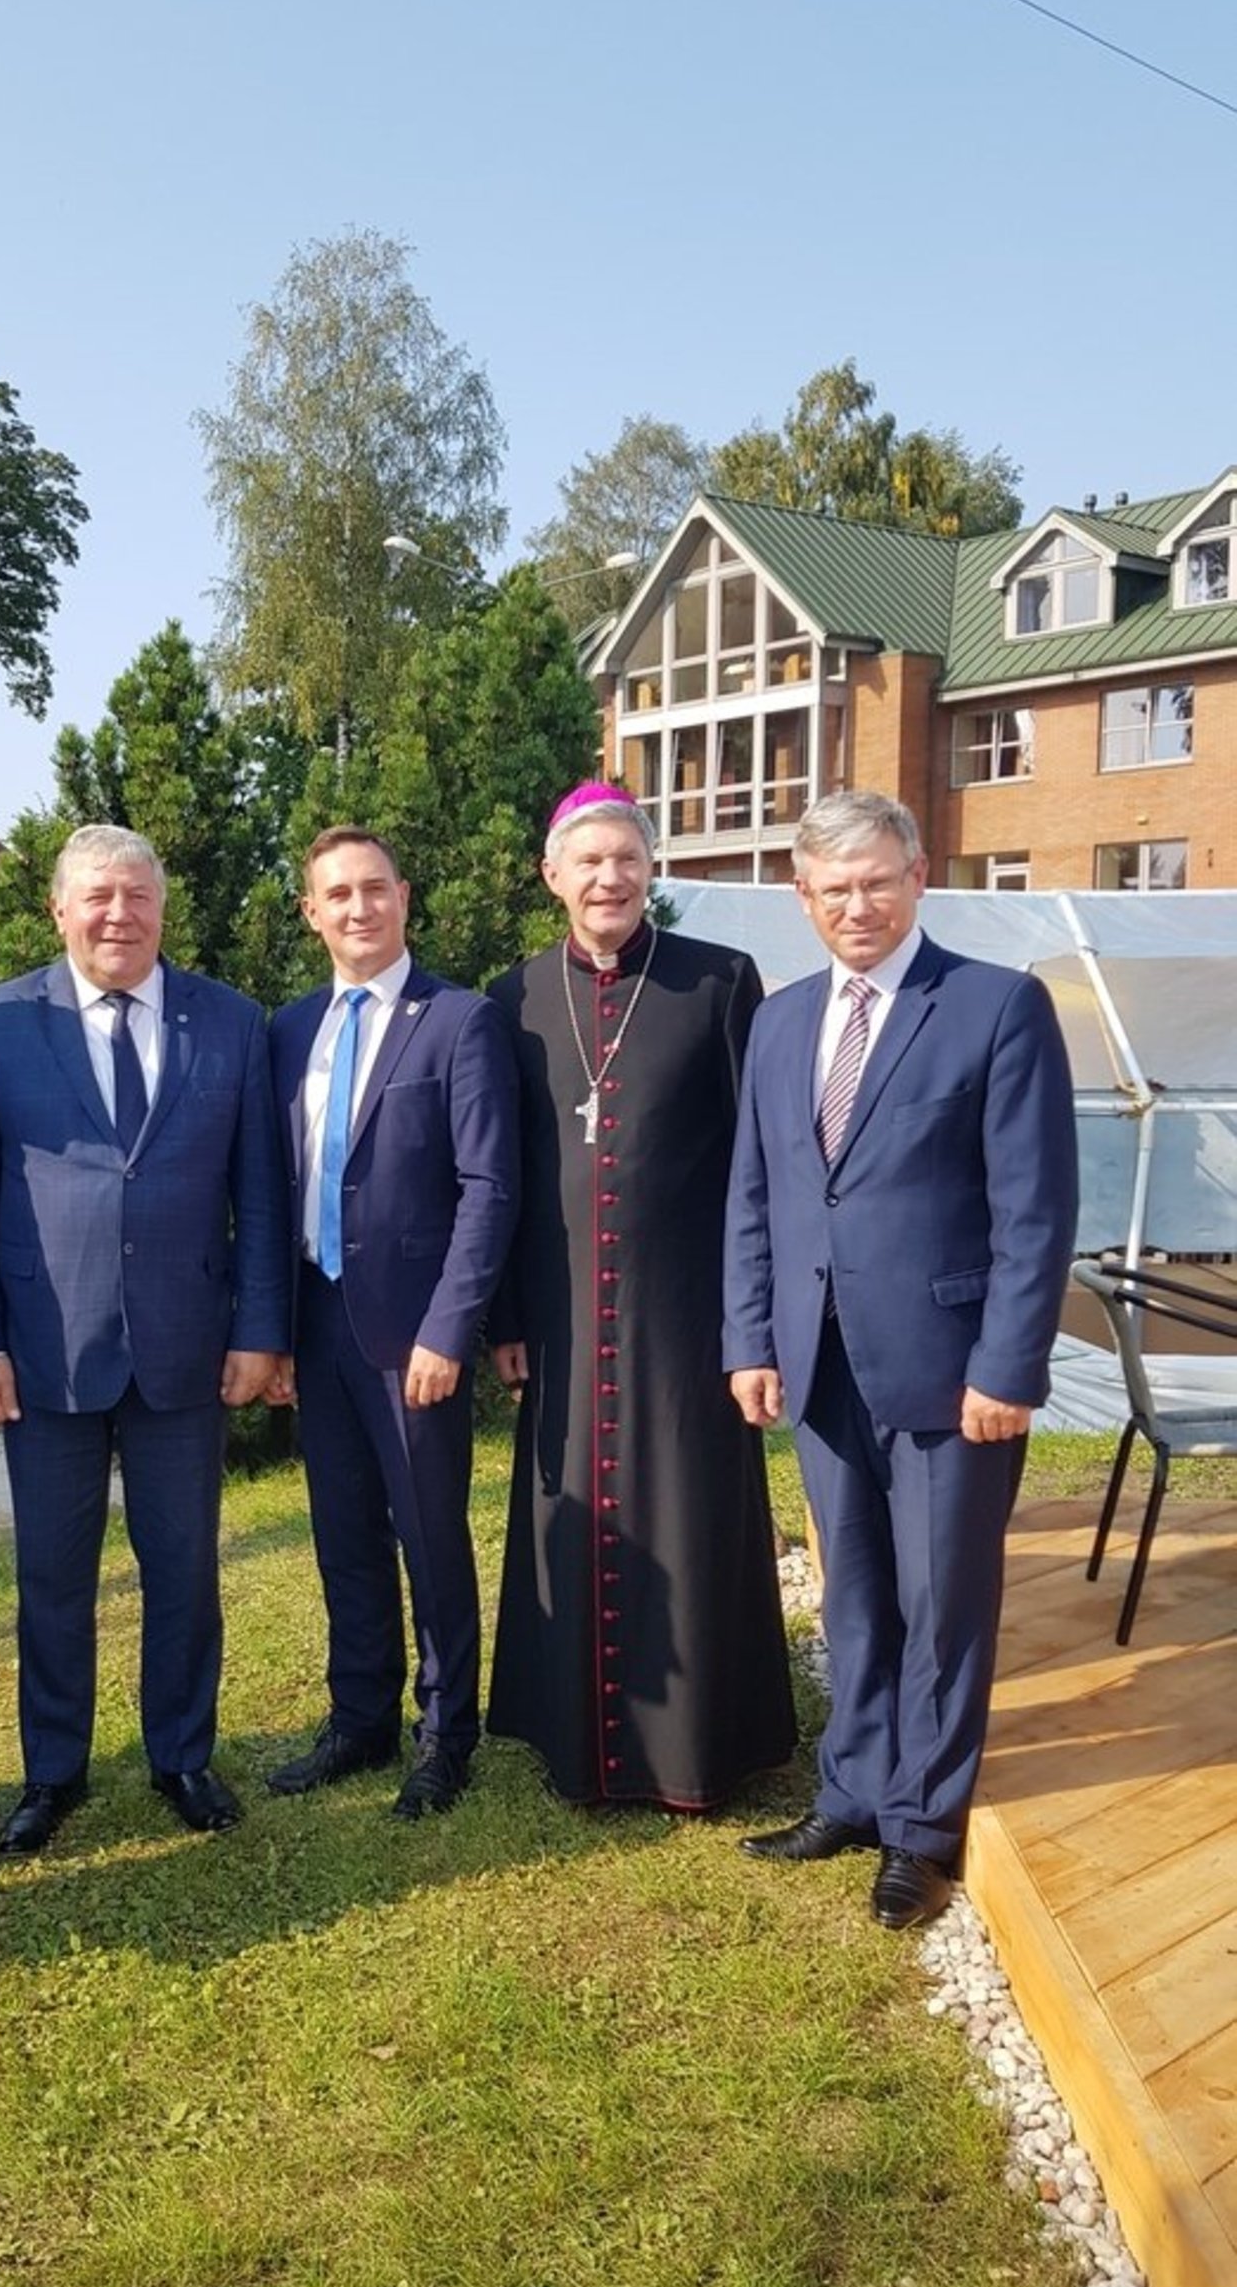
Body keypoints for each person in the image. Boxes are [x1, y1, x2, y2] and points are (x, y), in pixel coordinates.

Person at [725, 791, 1077, 1929]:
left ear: (919, 877)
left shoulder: (996, 1007)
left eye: (877, 881)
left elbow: (1035, 1213)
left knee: (943, 1606)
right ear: (803, 897)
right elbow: (758, 1195)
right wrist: (751, 1338)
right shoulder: (782, 1022)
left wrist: (1008, 1367)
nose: (858, 905)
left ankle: (921, 1831)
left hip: (951, 1371)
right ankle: (853, 1790)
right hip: (819, 1362)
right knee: (858, 1598)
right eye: (834, 889)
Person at [0, 824, 288, 1854]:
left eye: (138, 896)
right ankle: (53, 1771)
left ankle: (182, 1754)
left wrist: (260, 1329)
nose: (118, 915)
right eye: (97, 896)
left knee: (183, 1567)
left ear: (162, 910)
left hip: (187, 1347)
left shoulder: (231, 1023)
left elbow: (260, 1196)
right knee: (52, 1575)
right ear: (59, 909)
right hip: (43, 1353)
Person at [486, 781, 796, 1811]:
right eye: (589, 861)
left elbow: (761, 1163)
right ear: (553, 876)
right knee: (569, 1510)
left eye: (626, 858)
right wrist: (506, 1316)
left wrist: (753, 1323)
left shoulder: (718, 980)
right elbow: (506, 1172)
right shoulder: (514, 997)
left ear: (651, 869)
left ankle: (700, 1747)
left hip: (684, 1315)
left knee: (691, 1513)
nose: (609, 878)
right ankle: (572, 1739)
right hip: (564, 1315)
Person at [266, 828, 518, 1817]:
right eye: (338, 894)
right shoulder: (290, 1030)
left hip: (414, 1333)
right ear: (311, 913)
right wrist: (272, 1332)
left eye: (375, 888)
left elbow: (488, 1186)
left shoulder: (459, 1020)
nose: (359, 907)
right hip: (318, 1319)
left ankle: (445, 1735)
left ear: (404, 897)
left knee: (429, 1533)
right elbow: (275, 1183)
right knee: (343, 1535)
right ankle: (359, 1718)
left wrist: (450, 1328)